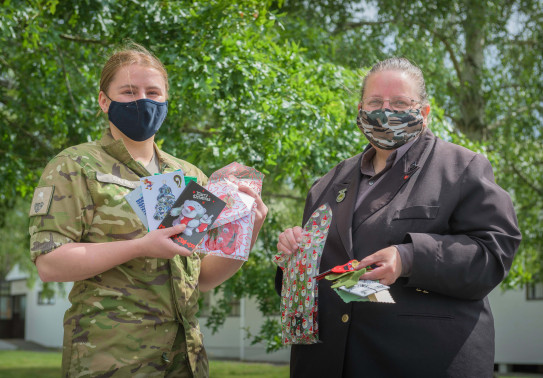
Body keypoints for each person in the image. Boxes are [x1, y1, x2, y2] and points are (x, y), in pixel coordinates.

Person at [28, 43, 267, 377]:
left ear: (166, 101)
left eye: (153, 92)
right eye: (128, 91)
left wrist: (248, 231)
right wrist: (141, 246)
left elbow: (204, 279)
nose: (142, 100)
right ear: (103, 101)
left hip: (187, 361)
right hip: (112, 360)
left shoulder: (190, 176)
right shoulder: (74, 165)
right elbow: (50, 264)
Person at [276, 57, 521, 378]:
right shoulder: (328, 183)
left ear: (424, 112)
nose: (385, 111)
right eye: (375, 102)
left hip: (423, 361)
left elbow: (493, 255)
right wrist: (291, 258)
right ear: (360, 109)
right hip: (328, 362)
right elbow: (312, 281)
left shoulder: (462, 167)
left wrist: (409, 258)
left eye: (400, 103)